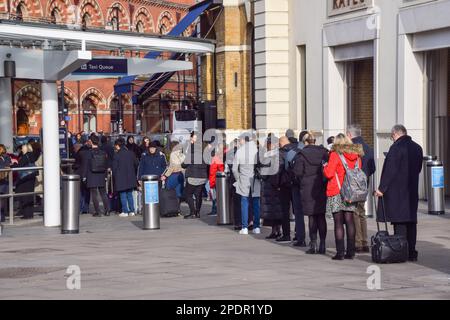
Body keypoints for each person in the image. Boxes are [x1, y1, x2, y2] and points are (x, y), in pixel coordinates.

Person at [375, 125, 423, 262]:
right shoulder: (418, 148)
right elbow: (418, 168)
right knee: (411, 222)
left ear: (395, 134)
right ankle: (412, 252)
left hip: (397, 192)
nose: (392, 138)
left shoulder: (396, 148)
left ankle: (401, 251)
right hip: (411, 190)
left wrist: (381, 189)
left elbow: (390, 171)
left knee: (400, 222)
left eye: (392, 136)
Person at [323, 134, 363, 260]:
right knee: (350, 220)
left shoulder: (335, 154)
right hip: (351, 192)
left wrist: (324, 167)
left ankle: (340, 252)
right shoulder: (356, 156)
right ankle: (351, 252)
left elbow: (329, 173)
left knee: (338, 222)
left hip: (337, 191)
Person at [292, 132, 329, 254]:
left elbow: (297, 172)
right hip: (321, 187)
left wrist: (303, 180)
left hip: (307, 188)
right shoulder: (324, 153)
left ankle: (313, 244)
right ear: (314, 141)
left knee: (312, 216)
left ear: (305, 142)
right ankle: (323, 244)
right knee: (321, 216)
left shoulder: (301, 155)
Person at [346, 125, 376, 253]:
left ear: (349, 135)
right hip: (364, 185)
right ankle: (364, 241)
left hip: (352, 186)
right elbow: (373, 168)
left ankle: (358, 243)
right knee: (361, 213)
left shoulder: (350, 148)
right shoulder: (369, 148)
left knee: (354, 214)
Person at [232, 132, 261, 235]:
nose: (239, 141)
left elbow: (234, 169)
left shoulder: (240, 151)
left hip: (244, 178)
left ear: (244, 140)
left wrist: (238, 179)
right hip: (256, 179)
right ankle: (256, 226)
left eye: (240, 139)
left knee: (244, 203)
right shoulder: (258, 150)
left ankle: (244, 227)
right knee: (256, 203)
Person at [260, 135, 283, 239]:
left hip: (269, 185)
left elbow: (264, 173)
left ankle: (275, 230)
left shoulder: (268, 156)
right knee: (277, 210)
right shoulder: (279, 154)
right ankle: (278, 230)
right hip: (277, 185)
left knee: (272, 210)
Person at [182, 131, 209, 219]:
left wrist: (183, 164)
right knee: (198, 194)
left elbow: (185, 163)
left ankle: (192, 212)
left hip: (193, 175)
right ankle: (197, 212)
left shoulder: (192, 148)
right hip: (203, 175)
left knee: (187, 194)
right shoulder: (205, 148)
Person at [84, 135, 110, 217]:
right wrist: (105, 175)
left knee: (94, 194)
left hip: (92, 174)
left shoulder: (88, 153)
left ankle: (98, 211)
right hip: (101, 174)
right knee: (103, 193)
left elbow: (86, 165)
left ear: (91, 142)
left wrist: (84, 176)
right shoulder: (103, 152)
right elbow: (106, 164)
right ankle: (107, 210)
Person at [113, 138, 139, 217]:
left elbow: (114, 168)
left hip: (121, 178)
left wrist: (115, 175)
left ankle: (125, 211)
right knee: (129, 194)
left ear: (117, 146)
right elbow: (137, 163)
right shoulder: (131, 153)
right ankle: (132, 211)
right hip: (130, 177)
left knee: (123, 195)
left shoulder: (117, 155)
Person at [13, 143, 38, 219]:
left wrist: (12, 165)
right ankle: (30, 214)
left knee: (25, 196)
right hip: (31, 177)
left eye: (23, 148)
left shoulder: (25, 156)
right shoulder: (32, 155)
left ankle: (26, 215)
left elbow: (19, 165)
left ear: (27, 148)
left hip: (25, 178)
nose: (22, 149)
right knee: (29, 195)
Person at [74, 137, 92, 214]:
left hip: (80, 173)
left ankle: (80, 208)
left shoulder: (80, 152)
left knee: (81, 192)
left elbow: (76, 163)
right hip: (88, 173)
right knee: (87, 191)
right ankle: (86, 208)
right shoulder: (90, 151)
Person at [208, 143, 225, 216]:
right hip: (219, 178)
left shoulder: (217, 157)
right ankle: (216, 210)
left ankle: (215, 210)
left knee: (216, 196)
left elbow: (214, 171)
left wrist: (211, 183)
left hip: (216, 179)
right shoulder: (223, 156)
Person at [0, 144, 11, 222]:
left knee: (3, 199)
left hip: (4, 180)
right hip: (2, 180)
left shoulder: (6, 157)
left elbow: (7, 166)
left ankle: (2, 217)